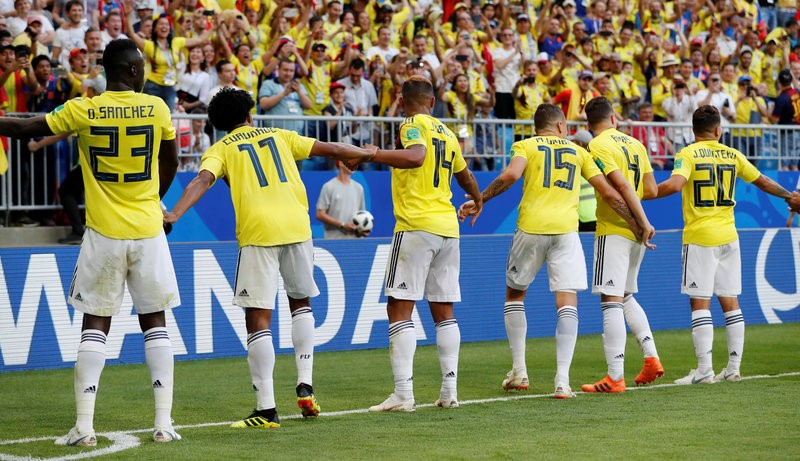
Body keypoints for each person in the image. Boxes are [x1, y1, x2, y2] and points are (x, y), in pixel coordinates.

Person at [164, 87, 379, 428]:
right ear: (249, 115)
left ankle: (266, 409)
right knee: (301, 303)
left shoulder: (221, 148)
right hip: (297, 226)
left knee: (258, 317)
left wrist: (174, 214)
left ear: (220, 125)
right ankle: (305, 383)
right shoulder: (281, 135)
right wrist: (367, 154)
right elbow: (334, 148)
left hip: (259, 233)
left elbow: (202, 180)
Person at [0, 39, 181, 445]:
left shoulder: (85, 109)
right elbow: (170, 160)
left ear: (106, 72)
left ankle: (84, 427)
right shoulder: (157, 108)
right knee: (155, 321)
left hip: (102, 232)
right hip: (149, 230)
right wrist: (153, 199)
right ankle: (163, 424)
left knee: (94, 326)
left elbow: (24, 127)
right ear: (133, 72)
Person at [457, 104, 647, 399]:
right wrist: (636, 223)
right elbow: (610, 193)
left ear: (537, 127)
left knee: (515, 295)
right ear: (560, 126)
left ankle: (520, 371)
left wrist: (480, 199)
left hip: (531, 229)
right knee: (567, 302)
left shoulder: (526, 145)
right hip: (567, 233)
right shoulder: (579, 151)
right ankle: (562, 381)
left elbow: (509, 176)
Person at [350, 75, 483, 412]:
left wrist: (373, 153)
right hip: (448, 228)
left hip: (416, 225)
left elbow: (416, 157)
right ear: (432, 102)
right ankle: (449, 391)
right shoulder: (448, 132)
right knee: (444, 310)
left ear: (401, 99)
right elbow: (466, 176)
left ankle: (403, 395)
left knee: (398, 306)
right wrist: (478, 200)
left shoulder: (411, 124)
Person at [655, 105, 793, 385]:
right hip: (729, 236)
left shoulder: (688, 153)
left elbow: (675, 184)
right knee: (731, 302)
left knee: (700, 302)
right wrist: (791, 197)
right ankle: (733, 368)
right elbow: (764, 181)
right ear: (718, 130)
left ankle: (704, 370)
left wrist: (641, 194)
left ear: (694, 131)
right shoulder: (733, 155)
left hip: (700, 237)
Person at [579, 97, 663, 394]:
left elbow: (622, 187)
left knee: (610, 300)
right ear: (614, 117)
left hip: (616, 228)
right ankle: (651, 357)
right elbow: (649, 189)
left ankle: (615, 376)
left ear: (588, 125)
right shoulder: (635, 144)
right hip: (635, 235)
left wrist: (640, 222)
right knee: (625, 297)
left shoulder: (597, 145)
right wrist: (641, 221)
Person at [315, 161, 366, 239]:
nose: (354, 164)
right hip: (333, 240)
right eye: (350, 160)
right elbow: (320, 214)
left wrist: (363, 229)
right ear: (340, 163)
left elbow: (362, 214)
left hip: (355, 240)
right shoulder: (328, 186)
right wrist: (342, 225)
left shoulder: (359, 188)